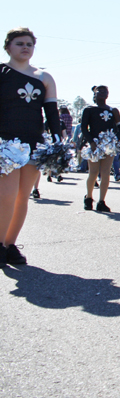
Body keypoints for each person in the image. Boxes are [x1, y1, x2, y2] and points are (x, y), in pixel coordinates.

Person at [0, 27, 62, 266]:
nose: (25, 47)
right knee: (5, 195)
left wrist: (56, 142)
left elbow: (52, 113)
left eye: (29, 44)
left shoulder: (44, 77)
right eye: (19, 43)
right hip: (5, 142)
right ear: (8, 47)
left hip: (34, 144)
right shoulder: (2, 73)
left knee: (22, 197)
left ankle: (10, 244)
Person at [81, 85, 120, 213]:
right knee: (93, 172)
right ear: (94, 94)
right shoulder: (88, 110)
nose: (102, 93)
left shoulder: (113, 110)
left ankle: (101, 201)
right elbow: (84, 128)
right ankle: (88, 198)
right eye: (99, 91)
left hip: (108, 146)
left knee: (105, 173)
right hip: (94, 144)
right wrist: (91, 142)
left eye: (105, 91)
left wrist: (114, 140)